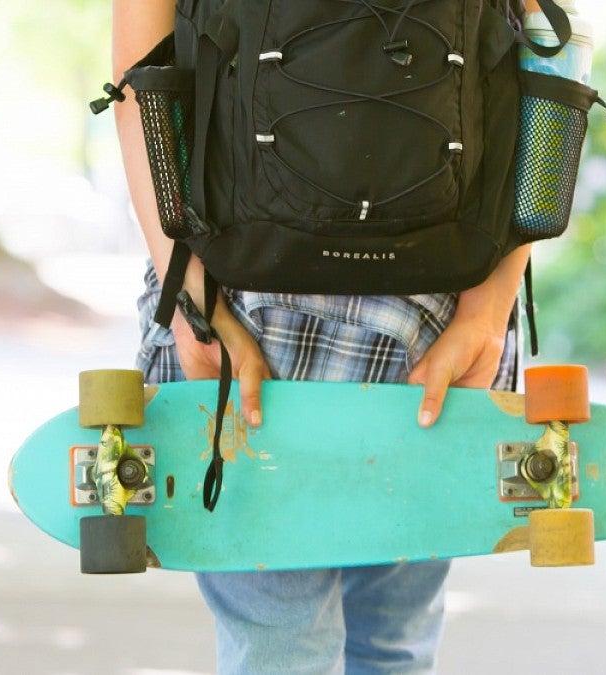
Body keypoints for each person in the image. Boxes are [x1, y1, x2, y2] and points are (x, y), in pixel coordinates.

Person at [112, 2, 531, 671]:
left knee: (279, 648)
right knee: (393, 647)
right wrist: (484, 314)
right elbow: (550, 62)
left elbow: (140, 84)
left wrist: (197, 306)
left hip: (250, 325)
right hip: (428, 332)